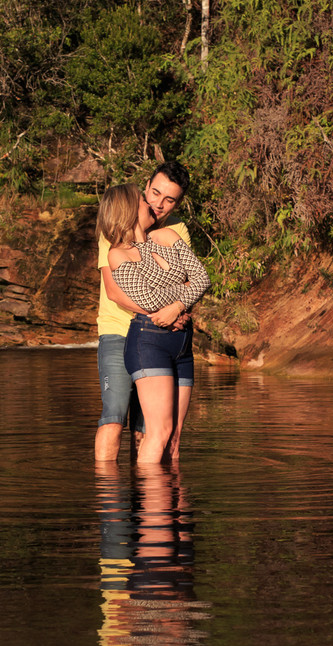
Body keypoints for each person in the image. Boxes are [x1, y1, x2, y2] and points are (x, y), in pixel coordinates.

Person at [96, 183, 210, 463]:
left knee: (171, 435)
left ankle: (169, 503)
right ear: (128, 209)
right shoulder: (117, 253)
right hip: (144, 337)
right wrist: (178, 302)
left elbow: (202, 279)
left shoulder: (169, 235)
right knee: (129, 420)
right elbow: (148, 299)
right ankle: (119, 497)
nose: (152, 204)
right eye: (143, 199)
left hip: (180, 340)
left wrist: (177, 307)